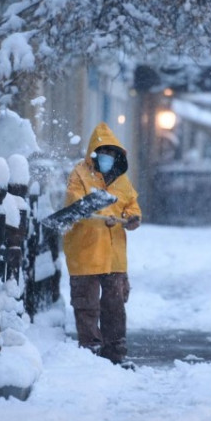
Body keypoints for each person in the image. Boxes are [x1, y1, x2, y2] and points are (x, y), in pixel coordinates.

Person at [63, 122, 142, 369]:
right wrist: (103, 212)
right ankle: (91, 355)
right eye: (103, 153)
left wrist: (132, 218)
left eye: (112, 154)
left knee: (114, 307)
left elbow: (132, 205)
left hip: (114, 256)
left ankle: (115, 353)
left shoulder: (122, 180)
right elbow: (76, 203)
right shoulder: (79, 175)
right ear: (94, 153)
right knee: (87, 306)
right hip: (85, 253)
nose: (108, 158)